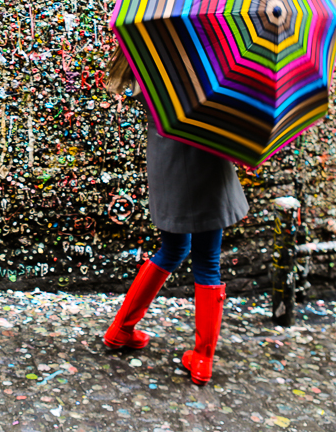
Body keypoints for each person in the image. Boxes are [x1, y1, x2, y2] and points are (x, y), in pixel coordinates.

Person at [102, 46, 249, 386]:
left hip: (167, 168)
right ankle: (202, 360)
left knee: (173, 249)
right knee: (207, 261)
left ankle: (120, 330)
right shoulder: (208, 67)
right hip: (206, 170)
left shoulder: (149, 62)